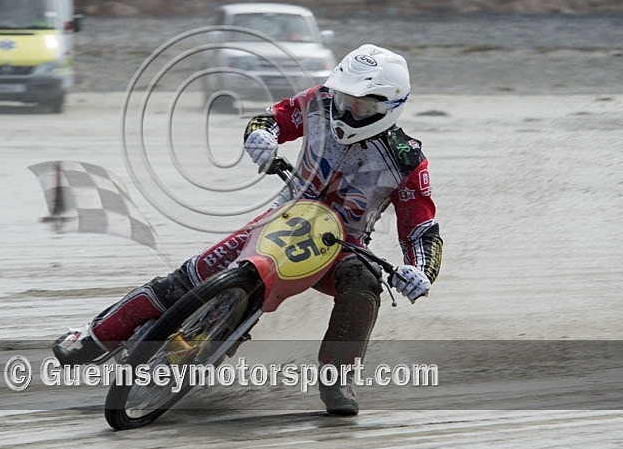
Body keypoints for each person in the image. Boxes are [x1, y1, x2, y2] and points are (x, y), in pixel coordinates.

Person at [52, 44, 443, 416]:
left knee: (366, 284)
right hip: (280, 219)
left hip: (342, 246)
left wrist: (420, 272)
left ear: (389, 107)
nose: (345, 109)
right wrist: (261, 136)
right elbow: (270, 118)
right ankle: (94, 335)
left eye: (359, 105)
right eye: (343, 99)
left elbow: (422, 230)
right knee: (186, 278)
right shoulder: (317, 102)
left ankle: (337, 380)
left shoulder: (408, 161)